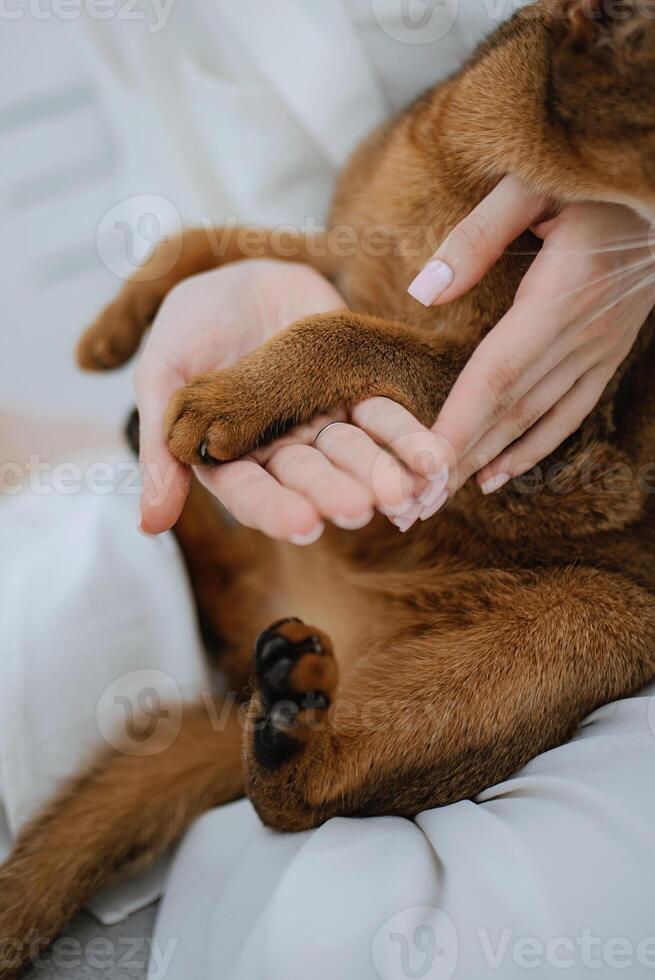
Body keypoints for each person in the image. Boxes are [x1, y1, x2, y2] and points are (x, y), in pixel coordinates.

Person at [3, 2, 654, 977]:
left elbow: (563, 488)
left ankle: (317, 762)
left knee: (608, 627)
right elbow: (338, 258)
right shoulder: (437, 145)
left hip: (491, 601)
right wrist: (202, 272)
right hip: (283, 530)